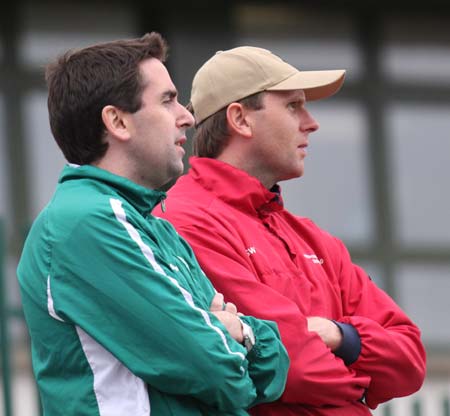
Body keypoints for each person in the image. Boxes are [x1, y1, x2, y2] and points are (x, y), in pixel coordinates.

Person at [16, 34, 290, 416]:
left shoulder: (154, 225)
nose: (188, 116)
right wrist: (232, 331)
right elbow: (213, 367)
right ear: (117, 122)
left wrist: (233, 331)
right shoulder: (84, 222)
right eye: (167, 100)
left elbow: (272, 369)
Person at [155, 46, 427, 415]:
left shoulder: (311, 236)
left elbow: (411, 359)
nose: (311, 122)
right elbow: (291, 367)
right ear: (240, 119)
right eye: (293, 106)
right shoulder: (185, 219)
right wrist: (361, 387)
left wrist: (339, 335)